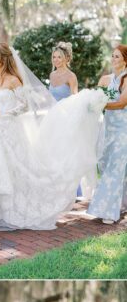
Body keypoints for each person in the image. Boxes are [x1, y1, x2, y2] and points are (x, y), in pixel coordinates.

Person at [0, 43, 106, 231]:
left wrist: (6, 113)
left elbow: (24, 106)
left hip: (11, 130)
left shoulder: (15, 80)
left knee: (17, 169)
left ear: (3, 58)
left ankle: (18, 209)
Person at [87, 44, 127, 225]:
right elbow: (95, 96)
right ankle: (122, 203)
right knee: (104, 164)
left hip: (123, 129)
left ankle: (108, 211)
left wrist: (101, 105)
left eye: (117, 56)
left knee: (115, 168)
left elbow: (121, 103)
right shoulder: (105, 79)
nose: (113, 59)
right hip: (108, 128)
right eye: (112, 56)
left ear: (125, 60)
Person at [49, 42, 82, 198]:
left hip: (67, 119)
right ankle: (57, 187)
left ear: (66, 58)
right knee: (54, 153)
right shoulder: (52, 75)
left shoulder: (71, 76)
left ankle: (72, 191)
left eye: (59, 57)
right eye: (54, 57)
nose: (56, 60)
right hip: (52, 120)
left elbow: (76, 100)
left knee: (67, 153)